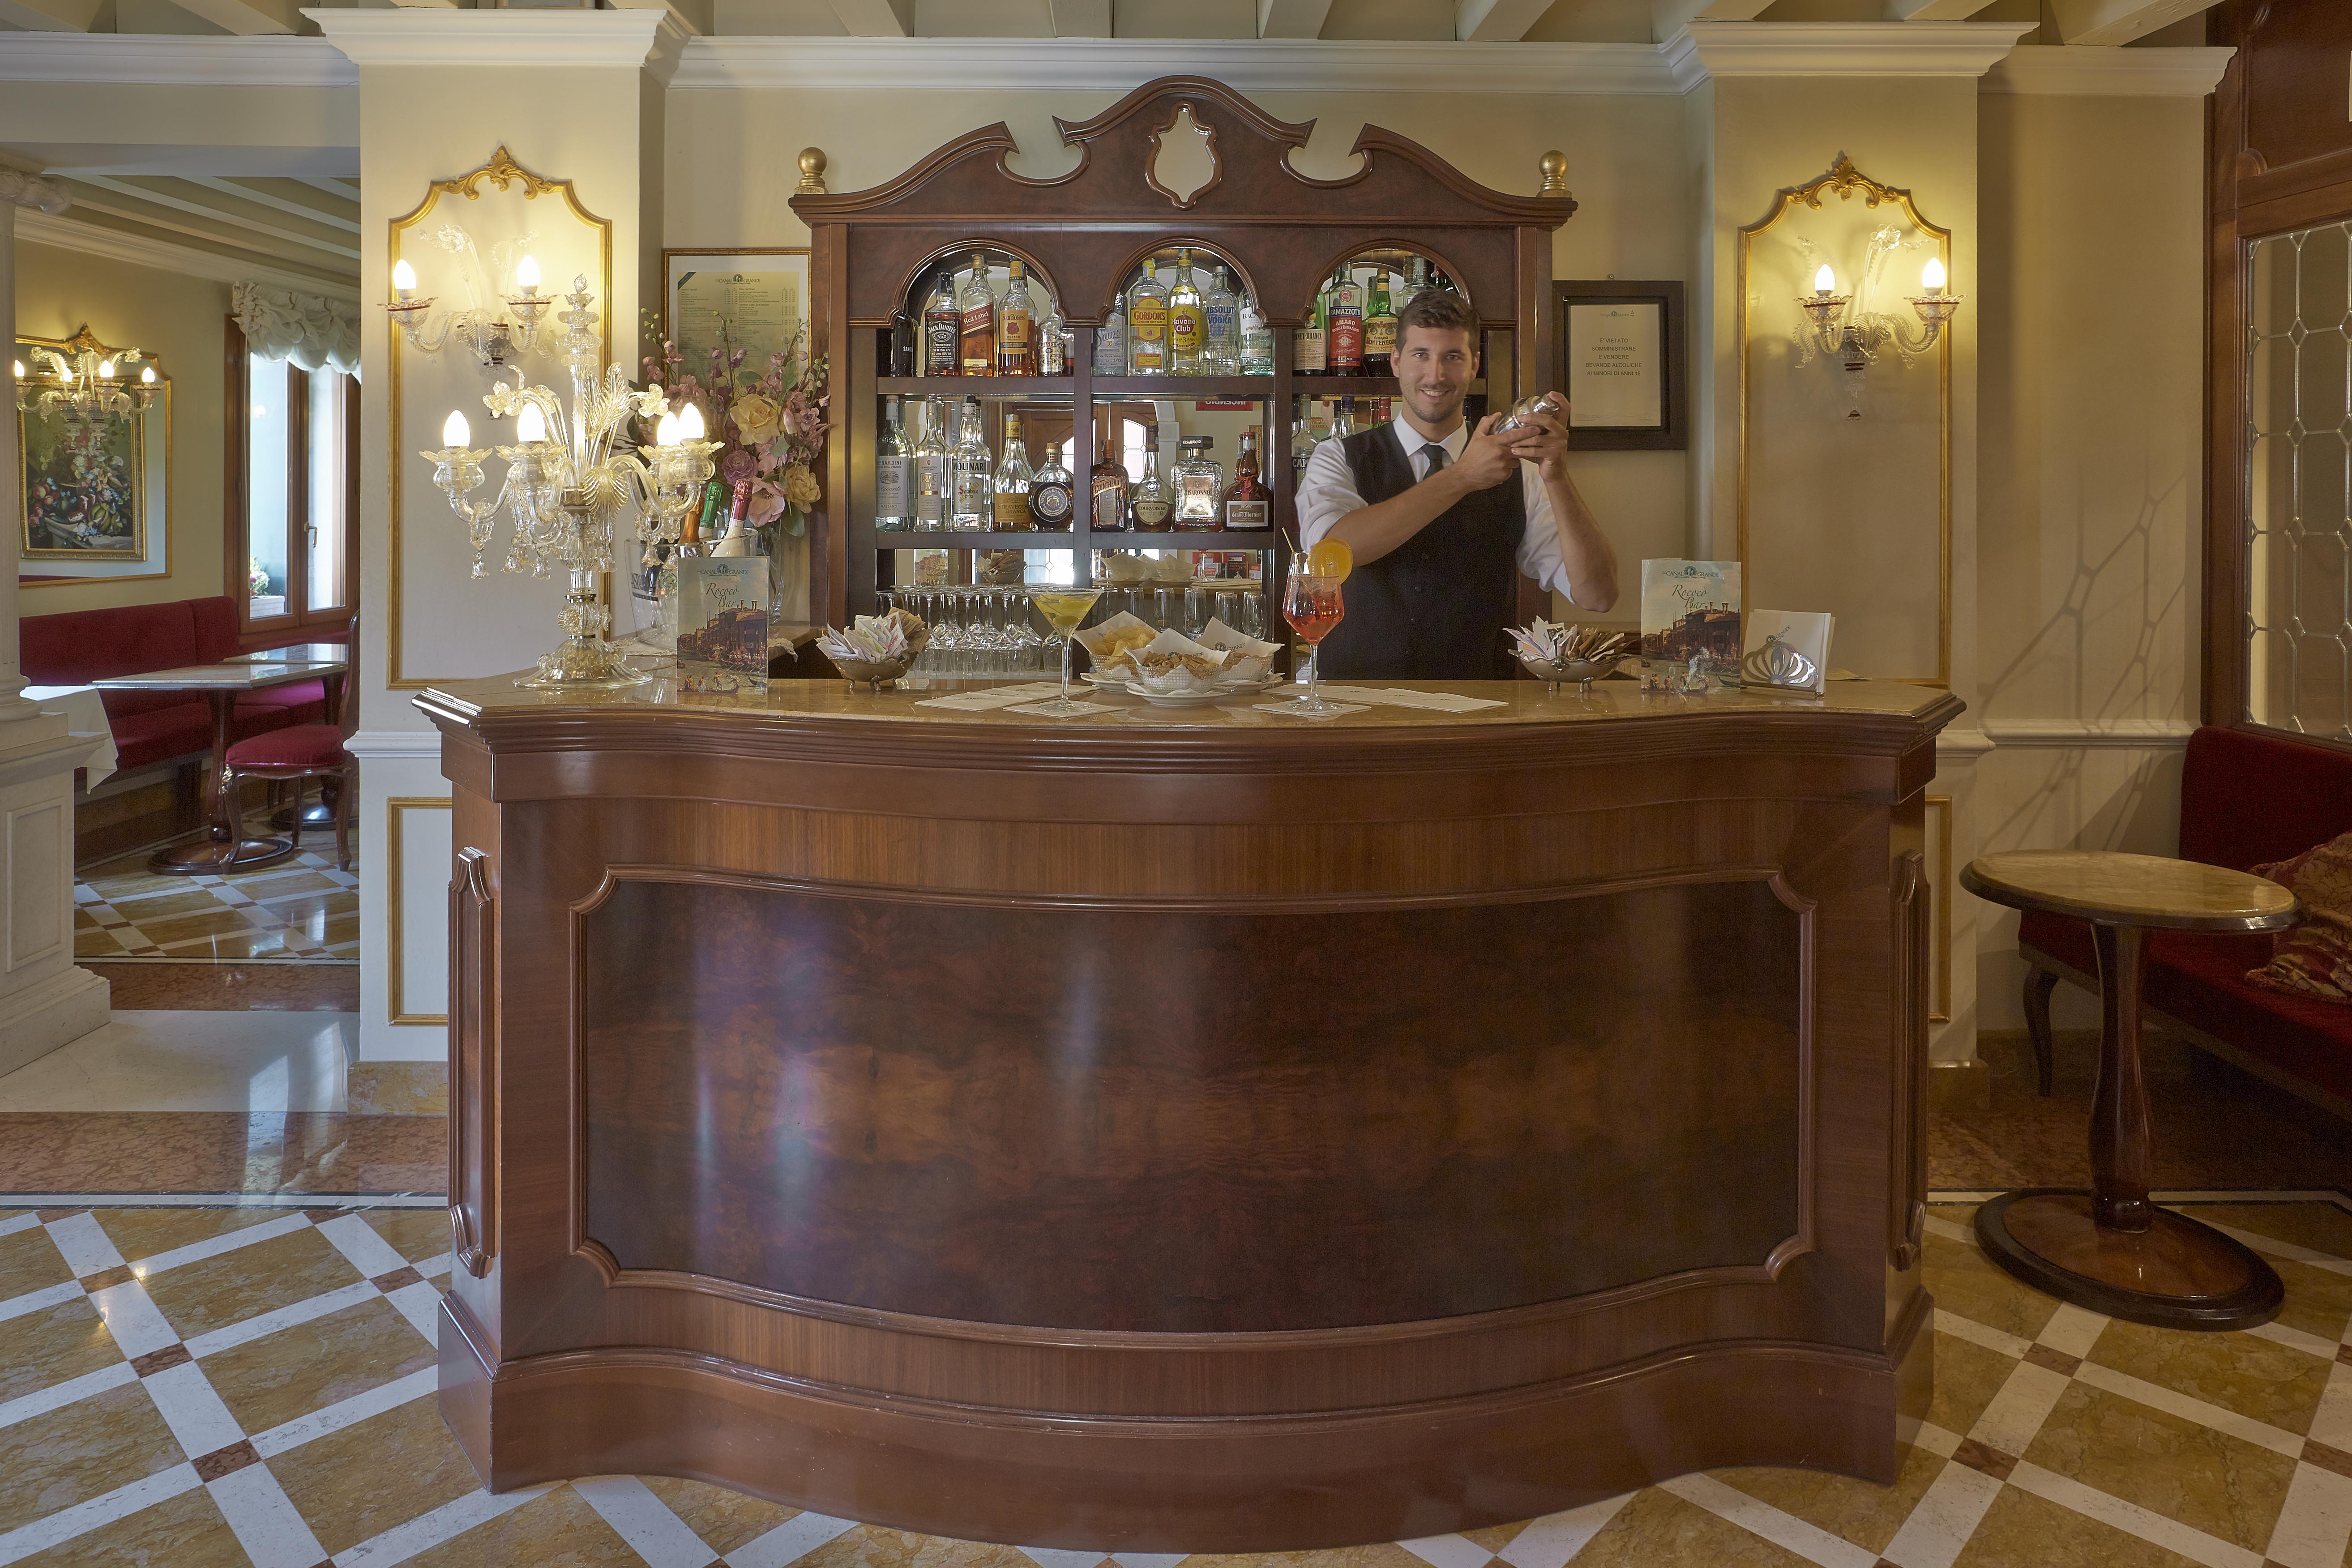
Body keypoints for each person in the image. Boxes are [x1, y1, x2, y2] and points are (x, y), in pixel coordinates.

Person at [1295, 289, 1619, 679]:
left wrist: (1557, 476)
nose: (1436, 375)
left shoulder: (1520, 475)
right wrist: (1463, 476)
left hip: (1480, 712)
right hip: (1356, 708)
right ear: (1396, 362)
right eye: (1421, 355)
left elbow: (1598, 595)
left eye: (1453, 357)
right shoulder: (1336, 457)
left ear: (1474, 365)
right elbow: (1332, 555)